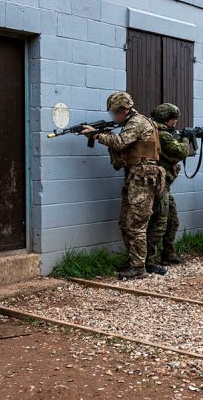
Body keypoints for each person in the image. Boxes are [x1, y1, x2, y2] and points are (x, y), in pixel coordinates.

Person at [81, 91, 167, 279]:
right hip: (135, 177)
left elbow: (120, 143)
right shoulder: (131, 122)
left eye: (115, 113)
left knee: (136, 224)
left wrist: (96, 135)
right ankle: (133, 262)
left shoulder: (136, 122)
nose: (114, 117)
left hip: (143, 178)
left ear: (125, 110)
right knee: (125, 222)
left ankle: (138, 268)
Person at [151, 103, 189, 265]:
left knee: (173, 220)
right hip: (159, 185)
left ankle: (168, 254)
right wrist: (186, 140)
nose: (174, 122)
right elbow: (180, 151)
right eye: (172, 118)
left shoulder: (167, 133)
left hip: (165, 184)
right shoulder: (162, 134)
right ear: (164, 118)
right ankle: (149, 260)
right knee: (160, 222)